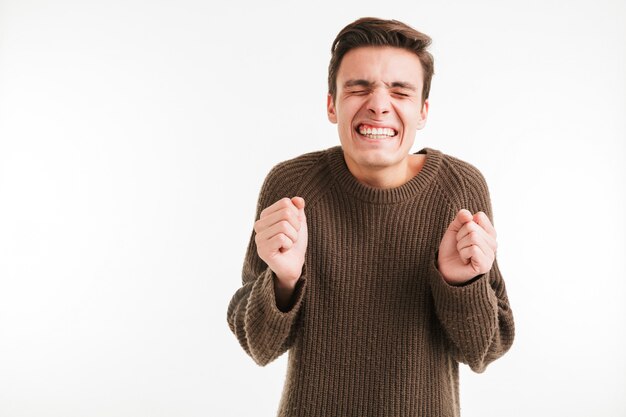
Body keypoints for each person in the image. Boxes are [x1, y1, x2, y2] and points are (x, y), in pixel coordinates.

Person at [226, 17, 514, 417]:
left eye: (400, 91)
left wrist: (459, 283)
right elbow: (258, 346)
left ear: (423, 111)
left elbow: (486, 350)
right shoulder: (292, 185)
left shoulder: (460, 187)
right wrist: (283, 281)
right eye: (359, 87)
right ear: (332, 104)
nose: (379, 104)